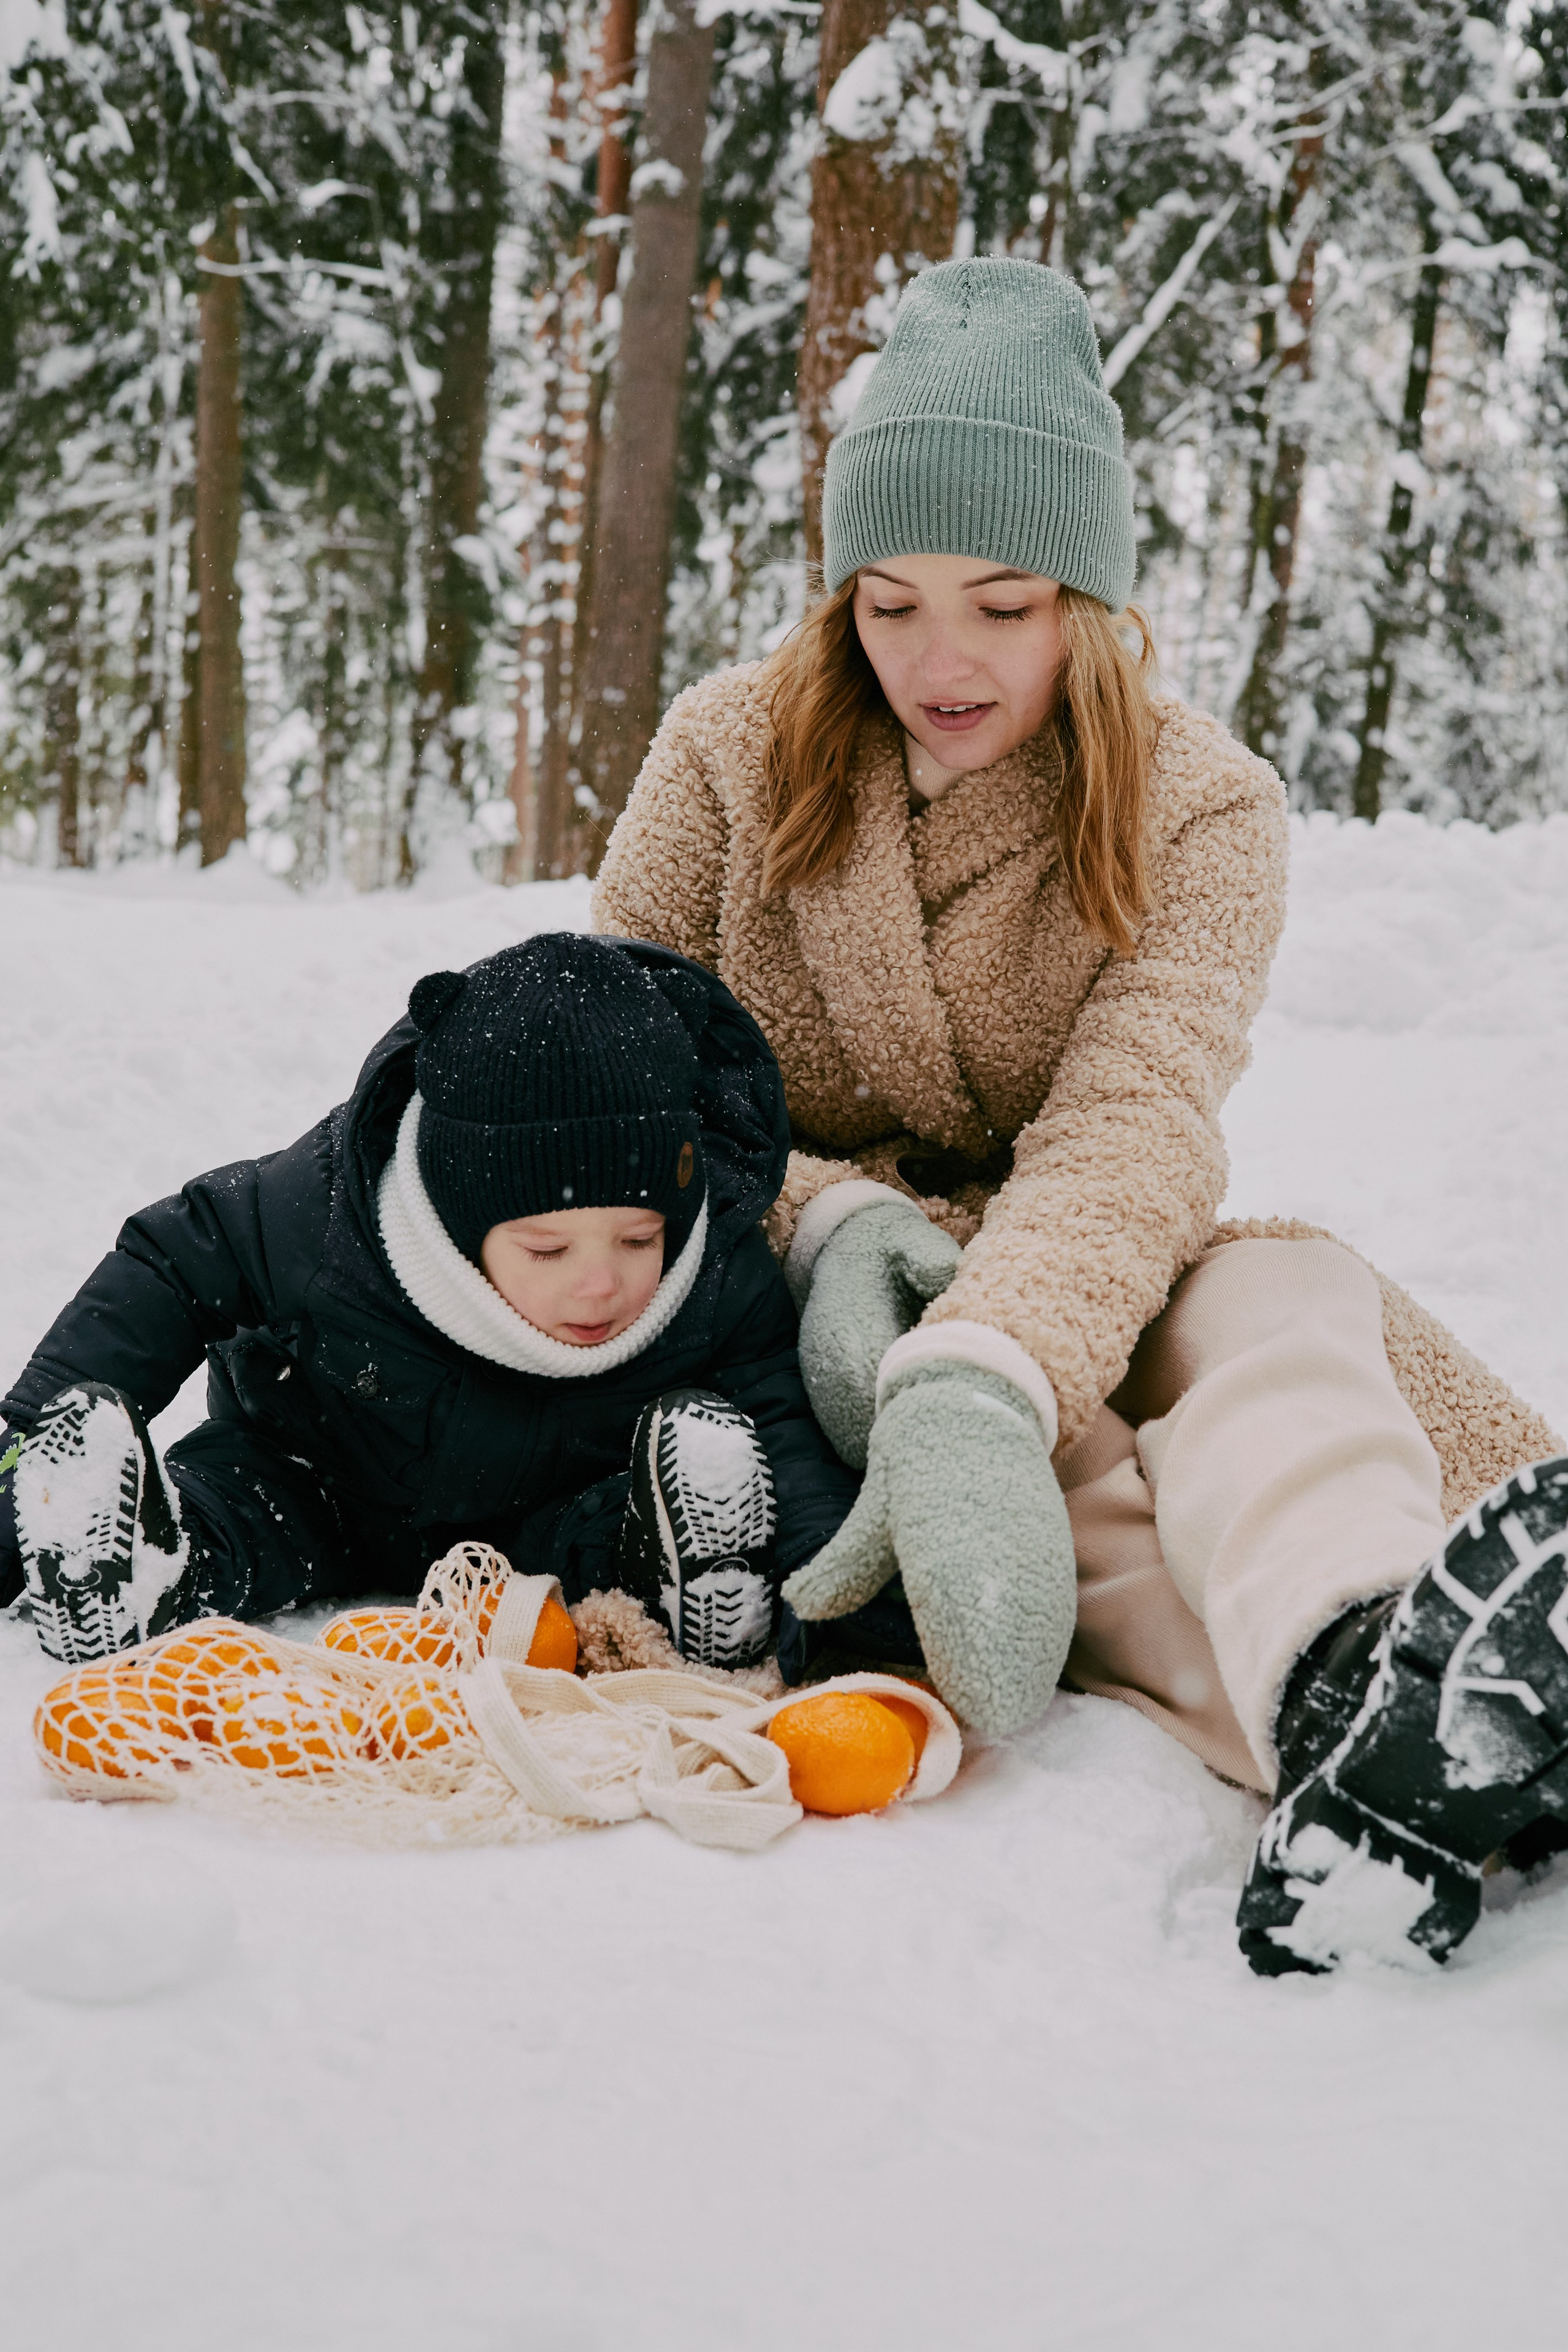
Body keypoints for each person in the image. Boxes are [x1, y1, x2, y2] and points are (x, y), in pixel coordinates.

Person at [592, 254, 1568, 1977]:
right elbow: (613, 1070)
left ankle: (1377, 1644)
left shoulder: (1203, 807)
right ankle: (1354, 1732)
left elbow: (1140, 1113)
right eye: (887, 603)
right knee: (1084, 1482)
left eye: (1001, 600)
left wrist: (994, 1351)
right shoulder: (728, 758)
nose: (938, 658)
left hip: (1091, 1249)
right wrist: (825, 1222)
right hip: (789, 1291)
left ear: (1094, 598)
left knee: (1284, 1308)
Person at [0, 934, 860, 1676]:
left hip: (547, 1518)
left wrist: (826, 1596)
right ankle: (141, 1563)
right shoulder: (325, 1214)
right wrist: (22, 1456)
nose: (602, 1284)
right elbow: (168, 1266)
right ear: (459, 1216)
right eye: (548, 1250)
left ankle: (695, 1569)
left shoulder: (716, 1274)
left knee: (622, 1520)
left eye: (639, 1239)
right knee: (243, 1508)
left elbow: (779, 1408)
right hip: (321, 1470)